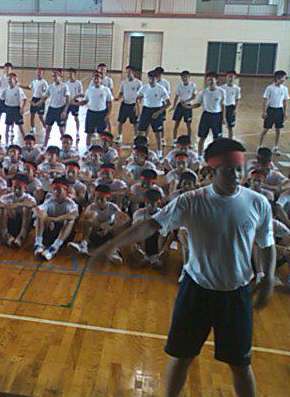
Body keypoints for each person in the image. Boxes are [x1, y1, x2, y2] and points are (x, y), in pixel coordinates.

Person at [93, 138, 275, 397]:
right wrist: (112, 245)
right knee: (181, 356)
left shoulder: (258, 203)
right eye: (228, 171)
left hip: (236, 295)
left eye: (239, 169)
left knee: (240, 364)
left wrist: (267, 277)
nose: (236, 176)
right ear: (211, 171)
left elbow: (267, 243)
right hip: (196, 292)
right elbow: (151, 225)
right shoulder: (191, 201)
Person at [33, 176, 79, 261]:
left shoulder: (70, 203)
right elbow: (37, 210)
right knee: (39, 216)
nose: (56, 192)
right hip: (51, 230)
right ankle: (38, 243)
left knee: (70, 220)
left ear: (66, 190)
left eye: (58, 190)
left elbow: (74, 214)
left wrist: (55, 219)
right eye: (54, 189)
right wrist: (45, 217)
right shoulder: (50, 201)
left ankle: (55, 247)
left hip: (64, 235)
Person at [188, 73, 226, 155]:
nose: (210, 82)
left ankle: (215, 155)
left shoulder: (221, 92)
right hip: (206, 116)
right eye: (208, 80)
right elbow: (198, 104)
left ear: (216, 80)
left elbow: (223, 105)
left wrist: (223, 118)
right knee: (202, 137)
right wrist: (189, 107)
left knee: (217, 138)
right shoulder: (203, 92)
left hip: (216, 116)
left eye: (212, 80)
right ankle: (200, 155)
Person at [137, 71, 170, 158]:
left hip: (157, 110)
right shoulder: (144, 88)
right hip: (146, 110)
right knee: (140, 131)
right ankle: (138, 150)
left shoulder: (161, 89)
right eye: (150, 78)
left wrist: (158, 113)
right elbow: (137, 98)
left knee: (157, 133)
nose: (151, 80)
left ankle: (159, 153)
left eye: (153, 79)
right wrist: (138, 110)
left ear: (156, 79)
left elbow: (168, 103)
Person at [79, 72, 113, 146]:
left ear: (101, 80)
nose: (96, 80)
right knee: (89, 133)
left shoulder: (106, 90)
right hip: (91, 113)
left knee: (102, 133)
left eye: (98, 79)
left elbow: (109, 103)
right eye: (95, 79)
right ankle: (88, 149)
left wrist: (108, 114)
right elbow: (86, 100)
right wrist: (80, 103)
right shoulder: (89, 90)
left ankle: (101, 148)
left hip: (101, 114)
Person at [259, 70, 288, 154]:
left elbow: (284, 101)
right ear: (278, 78)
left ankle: (275, 146)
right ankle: (260, 146)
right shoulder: (270, 88)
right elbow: (265, 100)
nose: (284, 79)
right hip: (270, 110)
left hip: (279, 110)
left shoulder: (284, 89)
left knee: (278, 129)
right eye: (283, 77)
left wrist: (284, 113)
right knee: (265, 129)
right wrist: (264, 111)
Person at [0, 73, 26, 145]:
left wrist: (22, 108)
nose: (9, 81)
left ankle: (26, 142)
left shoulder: (18, 90)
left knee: (21, 127)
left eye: (11, 79)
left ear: (15, 80)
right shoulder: (5, 90)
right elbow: (0, 98)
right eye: (8, 79)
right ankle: (7, 143)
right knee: (7, 127)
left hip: (16, 109)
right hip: (8, 109)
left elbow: (25, 99)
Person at [42, 70, 69, 147]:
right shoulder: (50, 86)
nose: (54, 77)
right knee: (47, 129)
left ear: (60, 76)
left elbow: (68, 100)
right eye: (53, 76)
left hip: (60, 109)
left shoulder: (64, 86)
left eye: (56, 76)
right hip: (51, 109)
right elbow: (44, 97)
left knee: (61, 129)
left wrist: (64, 111)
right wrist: (36, 103)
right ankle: (44, 145)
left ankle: (64, 145)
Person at [116, 65, 142, 143]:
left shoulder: (138, 83)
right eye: (126, 72)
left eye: (129, 72)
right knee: (120, 121)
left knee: (135, 123)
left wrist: (137, 105)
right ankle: (119, 136)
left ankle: (136, 137)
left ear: (133, 72)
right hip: (124, 104)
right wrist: (118, 98)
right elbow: (121, 92)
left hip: (133, 105)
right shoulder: (123, 82)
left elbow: (140, 96)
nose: (127, 74)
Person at [171, 71, 196, 145]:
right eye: (183, 77)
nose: (184, 78)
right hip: (180, 106)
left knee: (188, 124)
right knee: (176, 123)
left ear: (189, 77)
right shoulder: (179, 86)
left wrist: (186, 101)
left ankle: (189, 140)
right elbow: (176, 97)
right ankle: (174, 139)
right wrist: (174, 106)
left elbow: (194, 96)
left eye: (186, 76)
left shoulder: (192, 85)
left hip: (188, 106)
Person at [21, 68, 48, 133]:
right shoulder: (34, 82)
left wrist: (42, 101)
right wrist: (20, 86)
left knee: (41, 117)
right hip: (34, 99)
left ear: (42, 74)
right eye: (37, 72)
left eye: (40, 73)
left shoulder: (44, 82)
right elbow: (29, 87)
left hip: (40, 99)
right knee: (32, 115)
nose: (38, 74)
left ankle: (46, 128)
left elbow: (46, 93)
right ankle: (32, 128)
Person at [221, 71, 241, 140]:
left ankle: (230, 140)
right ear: (226, 77)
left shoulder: (237, 88)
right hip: (222, 107)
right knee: (219, 125)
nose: (230, 78)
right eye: (229, 77)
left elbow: (237, 99)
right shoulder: (222, 88)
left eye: (232, 77)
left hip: (231, 108)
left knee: (230, 126)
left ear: (235, 78)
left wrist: (235, 109)